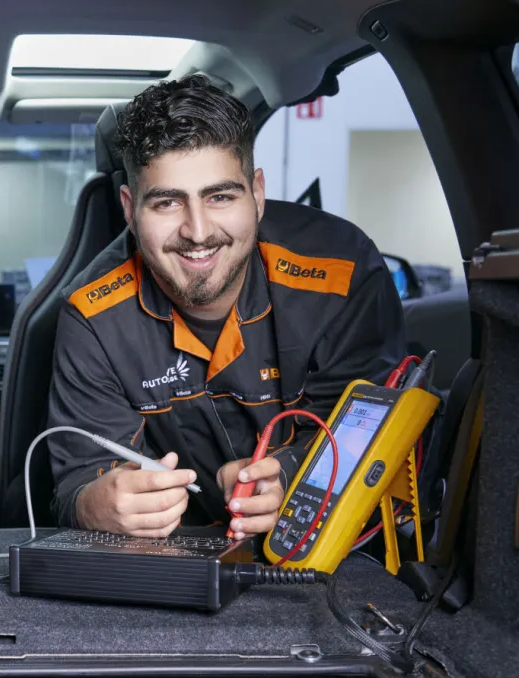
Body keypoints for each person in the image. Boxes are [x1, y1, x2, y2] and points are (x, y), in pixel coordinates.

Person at [48, 75, 407, 539]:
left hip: (335, 550)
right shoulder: (91, 315)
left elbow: (379, 432)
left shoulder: (341, 272)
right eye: (167, 203)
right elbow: (77, 479)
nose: (198, 232)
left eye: (220, 197)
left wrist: (298, 477)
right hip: (177, 558)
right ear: (129, 209)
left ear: (256, 193)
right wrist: (93, 505)